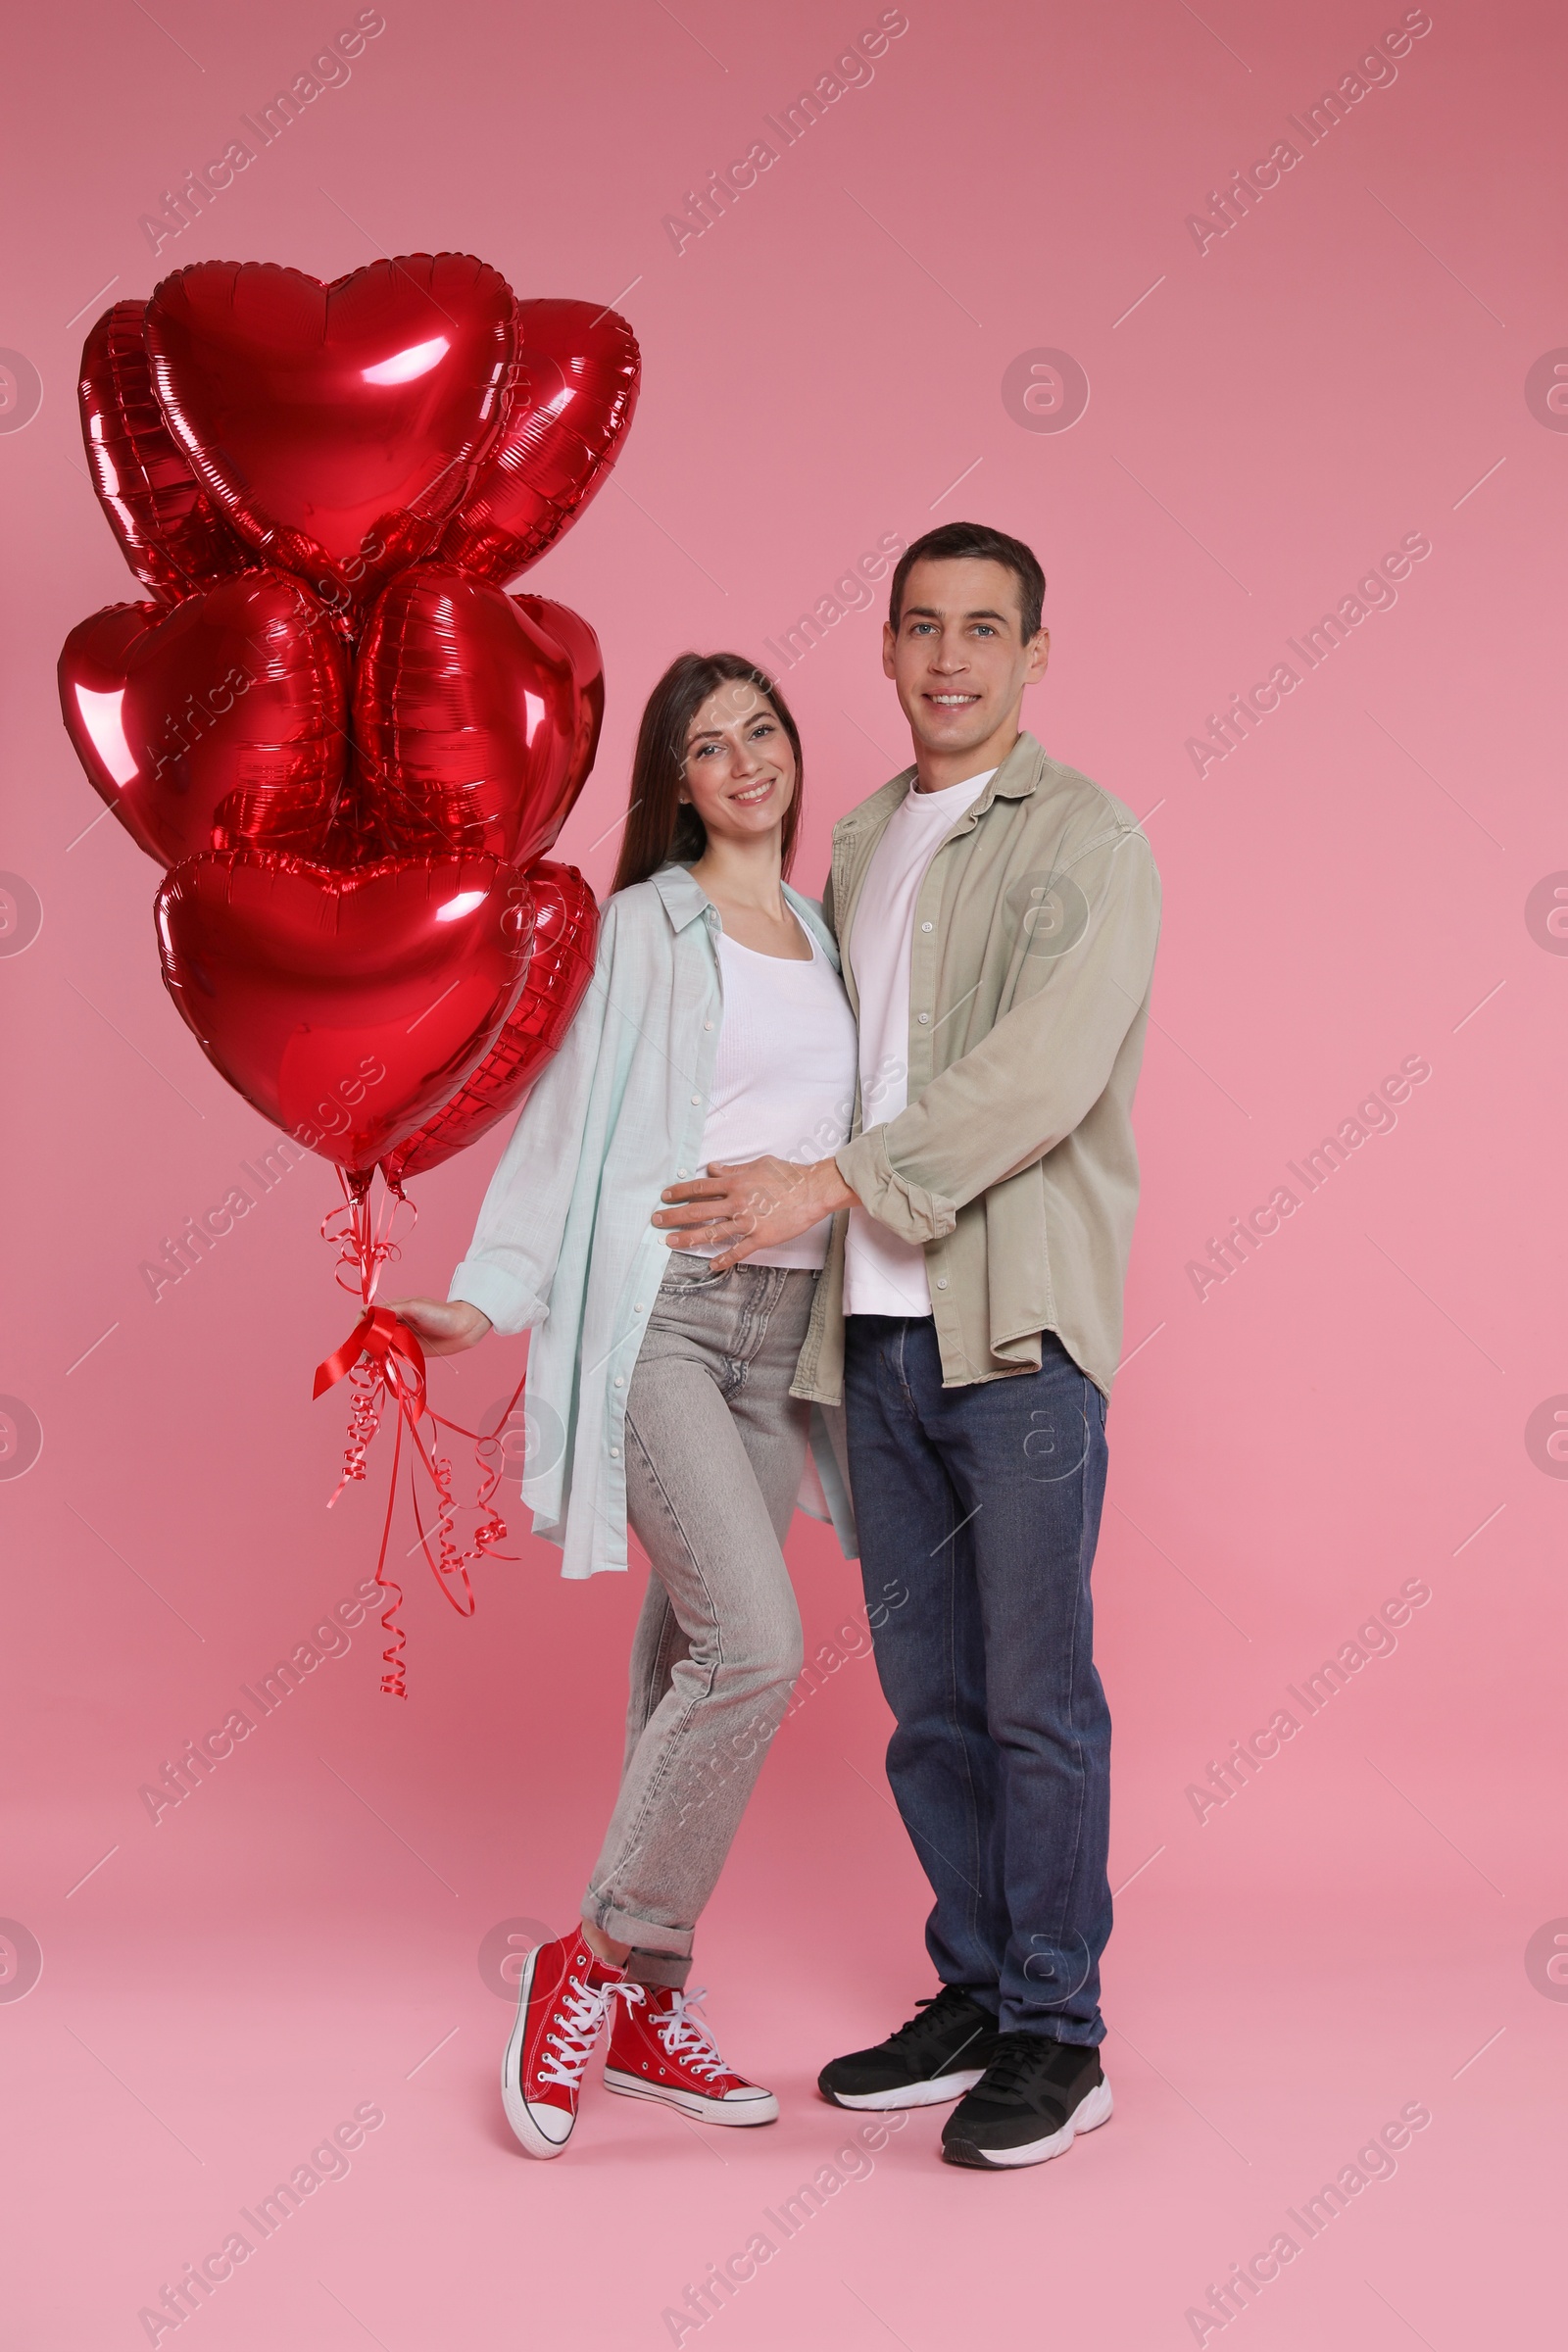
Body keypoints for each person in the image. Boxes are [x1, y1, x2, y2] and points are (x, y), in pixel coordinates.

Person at [653, 520, 1162, 2170]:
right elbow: (821, 1066)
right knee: (931, 1705)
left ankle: (1058, 2032)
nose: (951, 658)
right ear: (883, 650)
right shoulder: (858, 842)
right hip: (862, 1344)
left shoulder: (1088, 840)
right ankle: (975, 1990)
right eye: (923, 628)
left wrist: (834, 1180)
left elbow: (1037, 1077)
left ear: (1034, 656)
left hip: (1010, 1337)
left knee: (1036, 1701)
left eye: (985, 630)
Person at [387, 653, 858, 2160]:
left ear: (793, 750)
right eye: (708, 746)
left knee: (685, 1667)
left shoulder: (827, 931)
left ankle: (651, 2003)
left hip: (786, 1342)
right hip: (664, 1320)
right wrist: (488, 1293)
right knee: (756, 1646)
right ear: (675, 783)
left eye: (762, 732)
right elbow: (569, 1126)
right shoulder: (641, 931)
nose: (745, 763)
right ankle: (583, 1961)